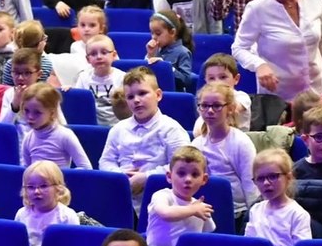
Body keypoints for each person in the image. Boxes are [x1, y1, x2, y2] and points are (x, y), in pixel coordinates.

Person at [98, 66, 191, 204]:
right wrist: (120, 176)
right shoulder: (118, 129)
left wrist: (147, 178)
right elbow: (105, 161)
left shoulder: (172, 129)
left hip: (162, 200)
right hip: (122, 197)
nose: (136, 100)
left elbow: (182, 166)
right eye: (130, 96)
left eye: (142, 93)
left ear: (158, 95)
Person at [245, 148, 312, 246]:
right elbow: (248, 244)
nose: (266, 183)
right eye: (260, 178)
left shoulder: (297, 214)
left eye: (273, 177)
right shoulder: (256, 209)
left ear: (288, 177)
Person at [189, 82, 259, 227]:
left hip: (236, 214)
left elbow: (251, 186)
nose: (210, 111)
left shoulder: (240, 142)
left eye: (216, 106)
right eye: (205, 106)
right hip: (203, 212)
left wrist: (253, 219)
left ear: (230, 109)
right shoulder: (197, 144)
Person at [20, 84, 92, 169]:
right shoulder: (28, 138)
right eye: (26, 111)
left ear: (52, 113)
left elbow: (86, 167)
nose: (30, 117)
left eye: (37, 112)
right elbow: (26, 170)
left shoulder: (65, 135)